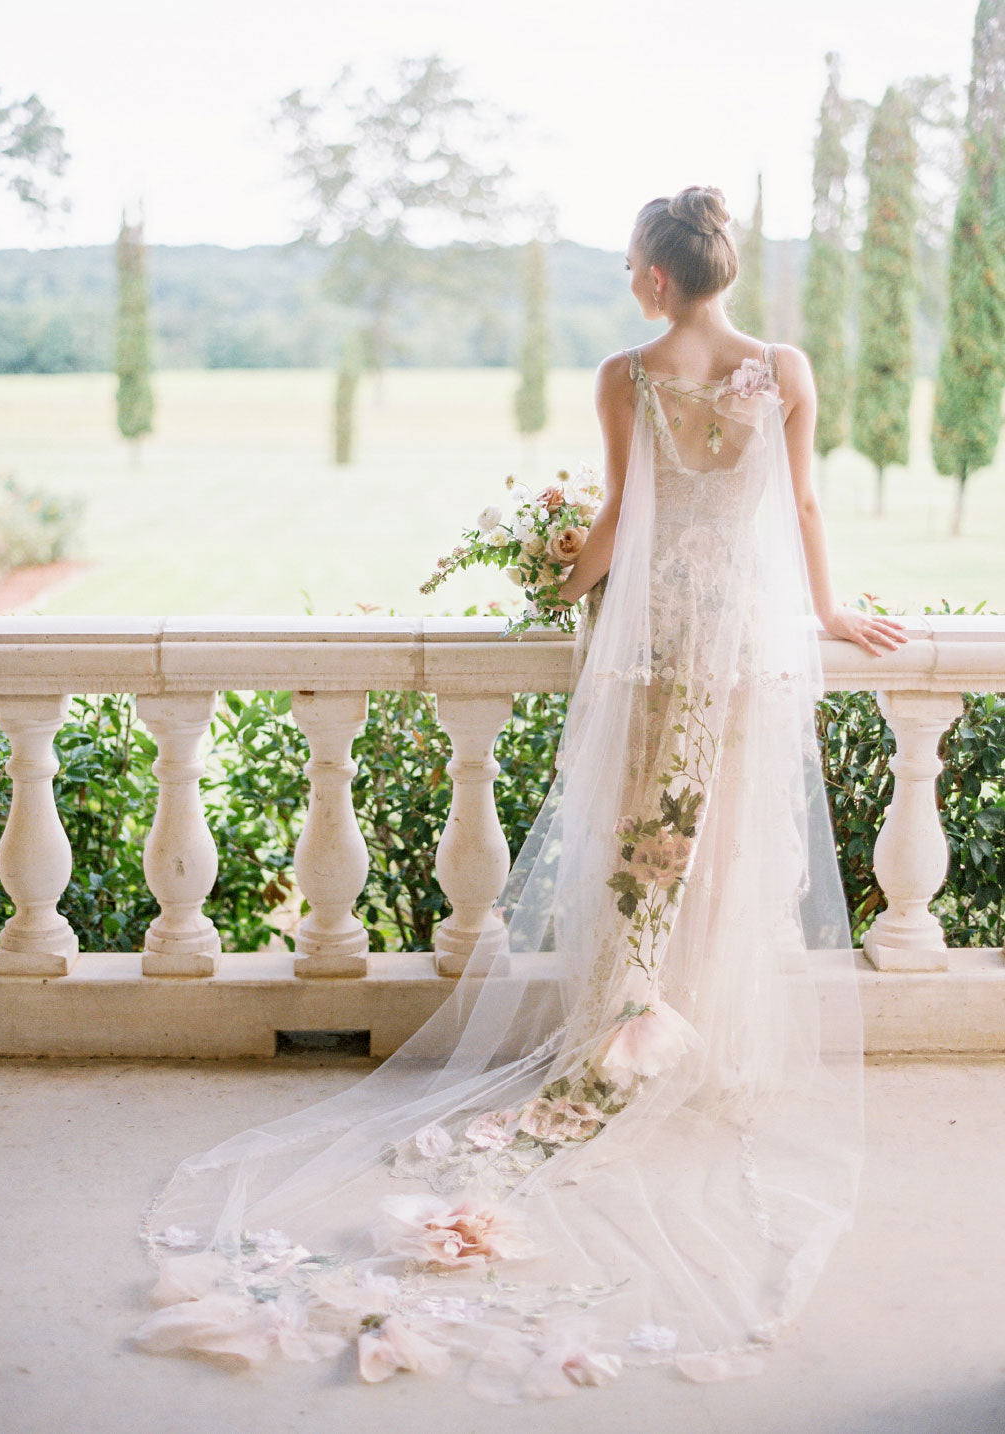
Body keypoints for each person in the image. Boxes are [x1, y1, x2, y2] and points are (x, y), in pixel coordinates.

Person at [132, 185, 907, 1400]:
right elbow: (802, 502)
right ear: (726, 274)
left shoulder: (628, 375)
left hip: (654, 642)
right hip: (744, 647)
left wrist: (553, 585)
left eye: (630, 267)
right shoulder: (784, 367)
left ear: (656, 277)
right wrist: (828, 613)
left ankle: (633, 1024)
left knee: (641, 847)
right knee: (725, 847)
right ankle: (691, 1029)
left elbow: (617, 517)